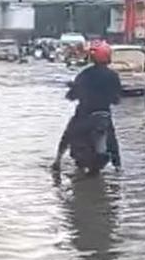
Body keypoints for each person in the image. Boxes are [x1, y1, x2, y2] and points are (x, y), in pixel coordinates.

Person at [52, 41, 122, 171]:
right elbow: (117, 100)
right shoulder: (113, 76)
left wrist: (72, 91)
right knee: (112, 141)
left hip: (85, 115)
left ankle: (57, 161)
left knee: (68, 135)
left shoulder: (85, 74)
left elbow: (72, 95)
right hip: (104, 115)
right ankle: (118, 167)